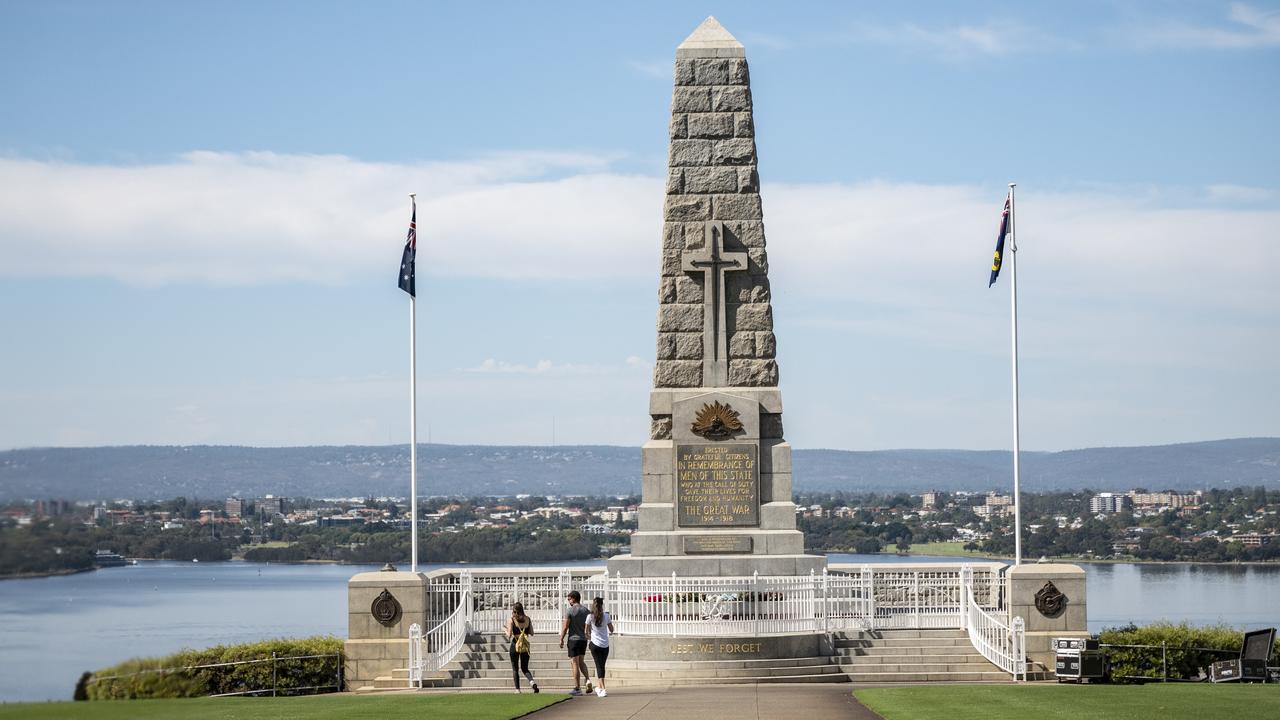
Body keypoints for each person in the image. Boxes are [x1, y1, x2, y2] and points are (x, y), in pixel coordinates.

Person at [558, 590, 592, 696]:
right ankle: (588, 680)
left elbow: (565, 626)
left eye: (569, 599)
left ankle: (577, 688)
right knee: (581, 662)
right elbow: (589, 626)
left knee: (574, 663)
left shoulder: (570, 611)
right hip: (583, 640)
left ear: (573, 598)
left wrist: (561, 638)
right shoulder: (586, 611)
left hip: (573, 639)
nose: (568, 601)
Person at [504, 602, 539, 694]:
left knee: (515, 668)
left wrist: (504, 629)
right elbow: (532, 633)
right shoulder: (527, 619)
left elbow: (509, 634)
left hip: (515, 645)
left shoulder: (512, 620)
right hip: (525, 646)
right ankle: (532, 683)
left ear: (514, 611)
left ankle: (517, 689)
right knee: (525, 668)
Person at [587, 596, 614, 697]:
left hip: (594, 644)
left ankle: (601, 688)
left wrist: (590, 637)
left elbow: (586, 631)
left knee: (599, 665)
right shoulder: (606, 616)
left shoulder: (590, 616)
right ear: (602, 605)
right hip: (605, 645)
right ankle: (602, 687)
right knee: (601, 665)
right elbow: (612, 630)